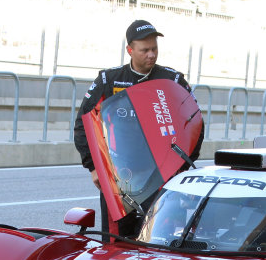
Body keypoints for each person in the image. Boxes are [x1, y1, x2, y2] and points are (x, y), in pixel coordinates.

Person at [73, 19, 202, 237]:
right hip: (118, 178)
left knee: (157, 240)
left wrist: (179, 169)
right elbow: (83, 123)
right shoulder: (108, 79)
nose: (151, 54)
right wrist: (94, 167)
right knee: (115, 243)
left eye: (154, 49)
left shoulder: (173, 80)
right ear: (130, 50)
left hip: (160, 178)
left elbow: (194, 124)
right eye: (145, 50)